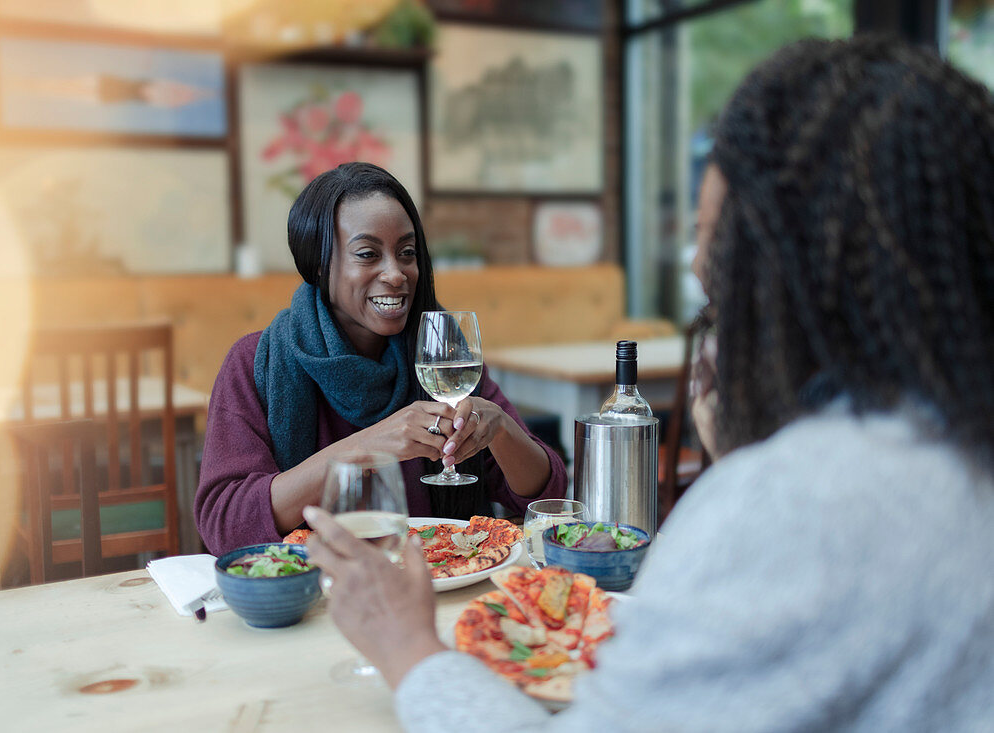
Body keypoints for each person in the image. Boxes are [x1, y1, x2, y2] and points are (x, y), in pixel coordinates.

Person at [304, 36, 994, 731]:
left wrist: (408, 648)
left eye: (718, 240)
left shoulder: (792, 506)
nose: (698, 269)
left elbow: (552, 488)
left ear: (805, 267)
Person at [196, 162, 567, 555]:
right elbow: (225, 524)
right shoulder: (257, 361)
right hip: (312, 592)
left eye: (406, 252)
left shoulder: (442, 353)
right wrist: (368, 447)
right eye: (368, 254)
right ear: (320, 265)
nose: (396, 273)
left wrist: (503, 428)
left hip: (438, 580)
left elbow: (548, 498)